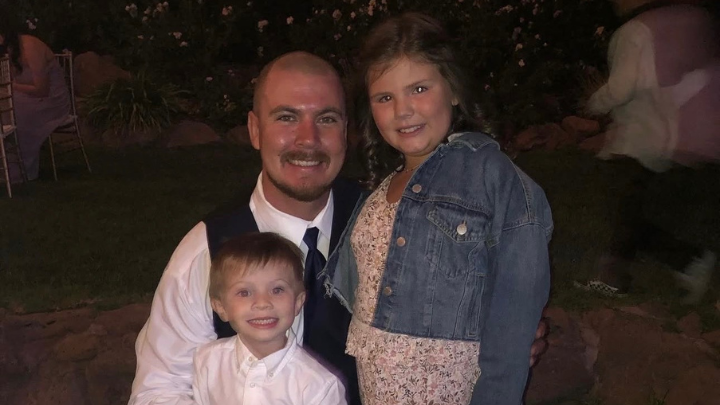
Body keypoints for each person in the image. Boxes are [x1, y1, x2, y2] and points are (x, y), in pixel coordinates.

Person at [130, 51, 547, 405]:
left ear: (346, 132)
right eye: (287, 117)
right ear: (255, 130)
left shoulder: (385, 225)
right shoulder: (209, 250)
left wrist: (504, 330)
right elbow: (159, 389)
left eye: (326, 119)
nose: (308, 139)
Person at [322, 13, 553, 405]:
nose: (402, 110)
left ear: (455, 90)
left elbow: (517, 305)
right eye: (385, 98)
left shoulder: (491, 177)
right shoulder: (378, 193)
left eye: (419, 88)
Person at [582, 0, 718, 302]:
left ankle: (616, 278)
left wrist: (594, 102)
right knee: (630, 213)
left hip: (637, 139)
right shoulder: (667, 26)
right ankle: (689, 260)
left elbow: (621, 88)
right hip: (658, 136)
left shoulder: (634, 32)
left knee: (626, 212)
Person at [192, 232, 346, 405]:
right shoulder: (208, 361)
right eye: (244, 292)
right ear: (221, 307)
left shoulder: (318, 387)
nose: (263, 303)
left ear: (298, 302)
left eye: (277, 290)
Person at [0, 20, 70, 182]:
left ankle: (18, 167)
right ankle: (6, 161)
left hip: (50, 101)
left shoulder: (30, 47)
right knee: (5, 104)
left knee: (11, 110)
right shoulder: (11, 49)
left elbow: (41, 89)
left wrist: (12, 86)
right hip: (26, 96)